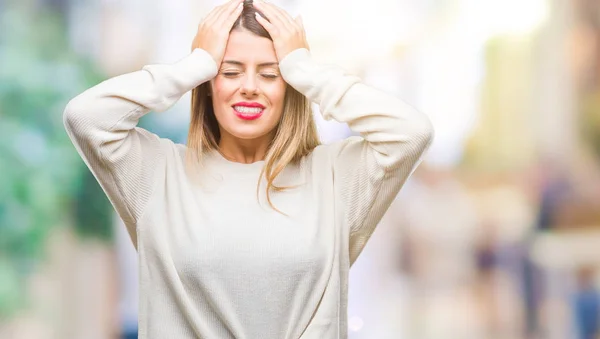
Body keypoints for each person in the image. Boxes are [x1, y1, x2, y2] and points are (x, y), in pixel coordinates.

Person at [63, 0, 433, 337]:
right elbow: (85, 117)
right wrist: (191, 66)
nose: (250, 88)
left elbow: (411, 132)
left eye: (270, 74)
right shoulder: (158, 174)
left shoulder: (335, 177)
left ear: (290, 86)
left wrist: (305, 68)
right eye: (230, 71)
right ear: (207, 85)